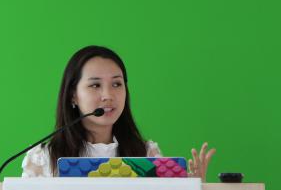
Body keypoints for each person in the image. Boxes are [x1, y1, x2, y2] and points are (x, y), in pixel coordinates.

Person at [22, 45, 216, 179]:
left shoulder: (146, 155)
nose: (108, 95)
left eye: (116, 84)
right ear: (73, 95)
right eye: (95, 85)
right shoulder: (43, 158)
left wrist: (193, 189)